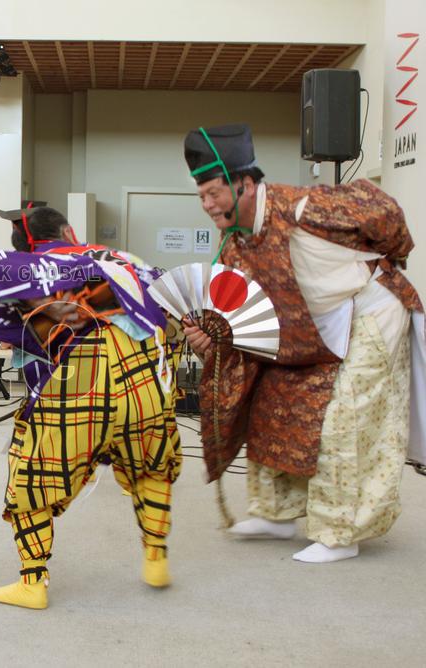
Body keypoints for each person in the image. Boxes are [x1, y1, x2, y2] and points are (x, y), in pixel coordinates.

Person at [182, 123, 424, 563]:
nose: (208, 205)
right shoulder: (233, 244)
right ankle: (276, 514)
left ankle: (340, 533)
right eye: (201, 197)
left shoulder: (304, 206)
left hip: (368, 309)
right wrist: (209, 337)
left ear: (246, 184)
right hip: (303, 328)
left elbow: (384, 212)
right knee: (271, 403)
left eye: (214, 193)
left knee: (343, 418)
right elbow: (237, 310)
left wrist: (396, 257)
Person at [0, 205, 182, 608]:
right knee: (150, 465)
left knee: (32, 475)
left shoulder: (34, 267)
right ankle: (156, 559)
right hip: (144, 376)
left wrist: (34, 313)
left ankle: (32, 583)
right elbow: (170, 306)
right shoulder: (123, 260)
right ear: (68, 232)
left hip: (83, 378)